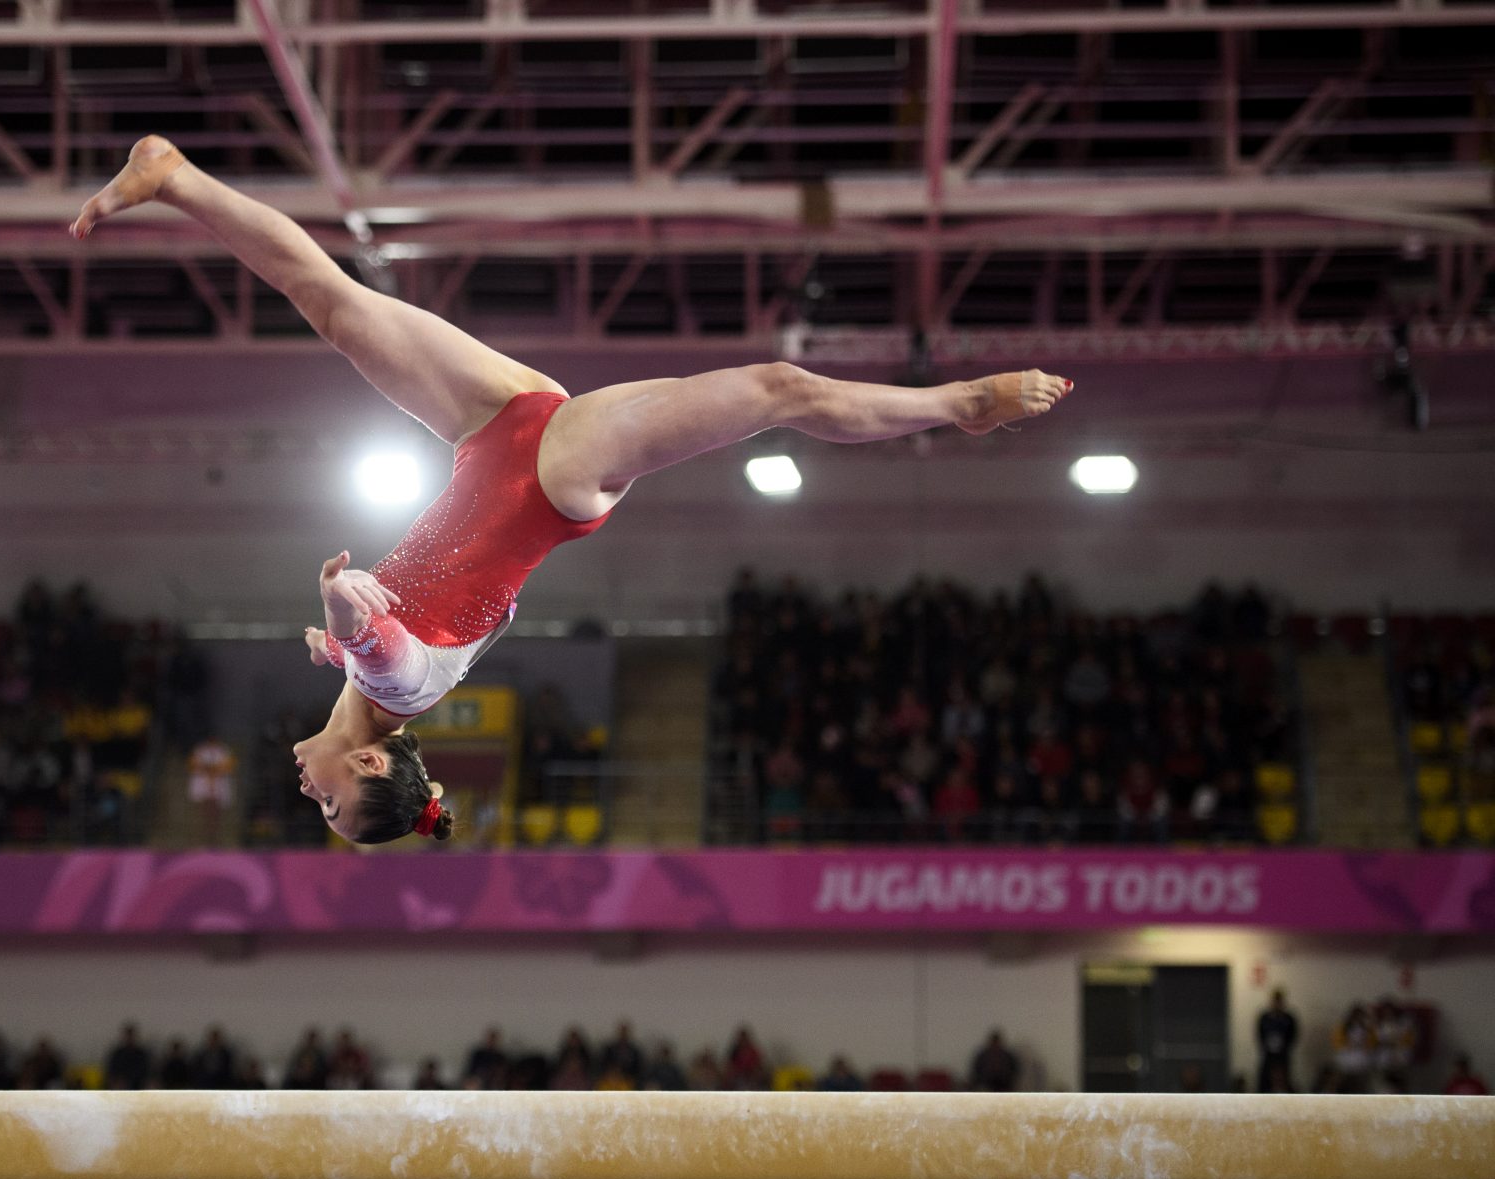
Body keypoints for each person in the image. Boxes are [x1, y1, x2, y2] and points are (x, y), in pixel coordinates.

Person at [71, 137, 1072, 846]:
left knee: (332, 304)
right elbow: (391, 644)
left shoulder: (366, 680)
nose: (308, 794)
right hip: (553, 477)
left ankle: (174, 174)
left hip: (488, 432)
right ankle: (956, 404)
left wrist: (340, 626)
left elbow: (414, 628)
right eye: (328, 807)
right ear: (371, 769)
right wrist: (342, 602)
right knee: (777, 389)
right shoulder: (392, 687)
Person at [1255, 989, 1298, 1093]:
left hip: (1283, 1054)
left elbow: (1293, 1035)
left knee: (1284, 1078)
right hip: (1268, 1054)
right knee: (1264, 1079)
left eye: (1279, 1002)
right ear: (1272, 1002)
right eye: (1275, 1001)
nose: (1277, 1004)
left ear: (1282, 1003)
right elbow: (1259, 1034)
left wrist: (1284, 1046)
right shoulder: (1264, 1018)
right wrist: (1266, 1046)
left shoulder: (1288, 1019)